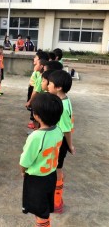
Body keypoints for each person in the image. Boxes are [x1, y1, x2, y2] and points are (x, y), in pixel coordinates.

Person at [20, 93, 63, 227]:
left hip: (37, 178)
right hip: (51, 174)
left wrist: (23, 171)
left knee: (39, 208)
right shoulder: (58, 130)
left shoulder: (36, 136)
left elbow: (24, 162)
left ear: (37, 116)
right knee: (44, 205)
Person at [48, 70, 75, 213]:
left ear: (58, 87)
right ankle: (54, 196)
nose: (47, 86)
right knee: (56, 168)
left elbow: (67, 129)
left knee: (58, 169)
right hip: (59, 140)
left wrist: (70, 145)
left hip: (61, 142)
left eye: (50, 84)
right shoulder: (64, 99)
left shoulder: (62, 107)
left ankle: (57, 201)